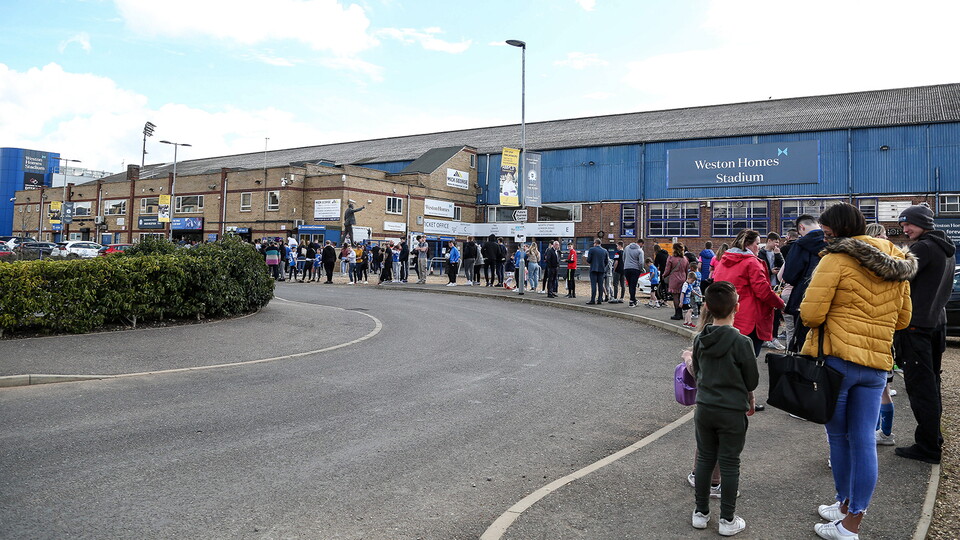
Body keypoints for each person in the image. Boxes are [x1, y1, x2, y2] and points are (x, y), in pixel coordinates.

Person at [798, 202, 915, 540]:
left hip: (838, 362)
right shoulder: (897, 261)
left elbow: (811, 315)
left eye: (826, 230)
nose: (825, 236)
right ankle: (852, 518)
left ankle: (844, 504)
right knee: (864, 441)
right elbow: (904, 319)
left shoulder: (835, 260)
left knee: (839, 437)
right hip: (876, 363)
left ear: (838, 230)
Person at [690, 280, 758, 537]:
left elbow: (698, 371)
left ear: (707, 307)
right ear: (737, 308)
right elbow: (752, 380)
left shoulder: (699, 340)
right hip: (731, 410)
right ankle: (727, 519)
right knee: (730, 463)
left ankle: (700, 512)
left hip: (705, 407)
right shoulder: (742, 342)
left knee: (705, 459)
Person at [894, 204, 956, 465]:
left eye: (909, 224)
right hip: (936, 323)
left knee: (921, 387)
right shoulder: (946, 249)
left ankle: (928, 447)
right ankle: (933, 439)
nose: (905, 229)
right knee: (932, 384)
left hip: (916, 325)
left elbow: (895, 278)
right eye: (903, 225)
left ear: (924, 224)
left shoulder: (923, 248)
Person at [712, 230, 785, 360]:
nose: (759, 247)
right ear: (747, 244)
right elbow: (763, 291)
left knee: (730, 359)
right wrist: (780, 304)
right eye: (757, 243)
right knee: (748, 360)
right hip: (750, 320)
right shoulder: (752, 262)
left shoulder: (724, 261)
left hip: (727, 316)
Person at [865, 222, 898, 447]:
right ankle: (885, 433)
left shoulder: (861, 264)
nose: (887, 238)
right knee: (882, 388)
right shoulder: (895, 265)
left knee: (872, 391)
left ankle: (875, 431)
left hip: (867, 334)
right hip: (886, 333)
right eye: (884, 235)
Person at [782, 214, 828, 351]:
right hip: (828, 298)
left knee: (804, 342)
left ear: (801, 227)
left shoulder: (800, 245)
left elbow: (789, 276)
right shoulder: (833, 242)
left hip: (804, 298)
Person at [757, 232, 786, 350]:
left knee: (776, 313)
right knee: (764, 313)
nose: (777, 244)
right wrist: (770, 272)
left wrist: (778, 255)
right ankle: (765, 338)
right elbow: (759, 270)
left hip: (776, 286)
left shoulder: (777, 252)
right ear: (769, 241)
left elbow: (784, 266)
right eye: (776, 242)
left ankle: (773, 337)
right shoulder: (761, 253)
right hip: (766, 285)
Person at [663, 243, 690, 320]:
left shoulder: (671, 258)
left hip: (674, 278)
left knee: (675, 296)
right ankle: (681, 312)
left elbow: (667, 270)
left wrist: (664, 275)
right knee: (682, 295)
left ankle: (677, 313)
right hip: (683, 278)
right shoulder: (685, 259)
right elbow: (686, 270)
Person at [622, 239, 645, 307]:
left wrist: (626, 265)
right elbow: (641, 262)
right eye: (642, 245)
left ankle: (633, 299)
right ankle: (632, 301)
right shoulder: (640, 251)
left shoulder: (627, 248)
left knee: (630, 285)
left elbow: (623, 258)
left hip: (627, 268)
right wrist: (641, 269)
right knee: (633, 285)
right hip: (635, 269)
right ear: (641, 243)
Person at [585, 239, 608, 305]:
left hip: (593, 269)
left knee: (593, 285)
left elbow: (588, 260)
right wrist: (603, 266)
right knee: (600, 285)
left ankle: (593, 299)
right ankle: (600, 299)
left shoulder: (592, 249)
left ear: (595, 243)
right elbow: (606, 261)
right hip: (601, 270)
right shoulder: (605, 250)